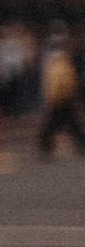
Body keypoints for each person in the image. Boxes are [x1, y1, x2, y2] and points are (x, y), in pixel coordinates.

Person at [40, 28, 82, 159]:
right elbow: (60, 82)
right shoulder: (60, 61)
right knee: (67, 125)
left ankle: (45, 147)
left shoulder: (60, 61)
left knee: (64, 125)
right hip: (61, 98)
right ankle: (45, 147)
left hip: (60, 98)